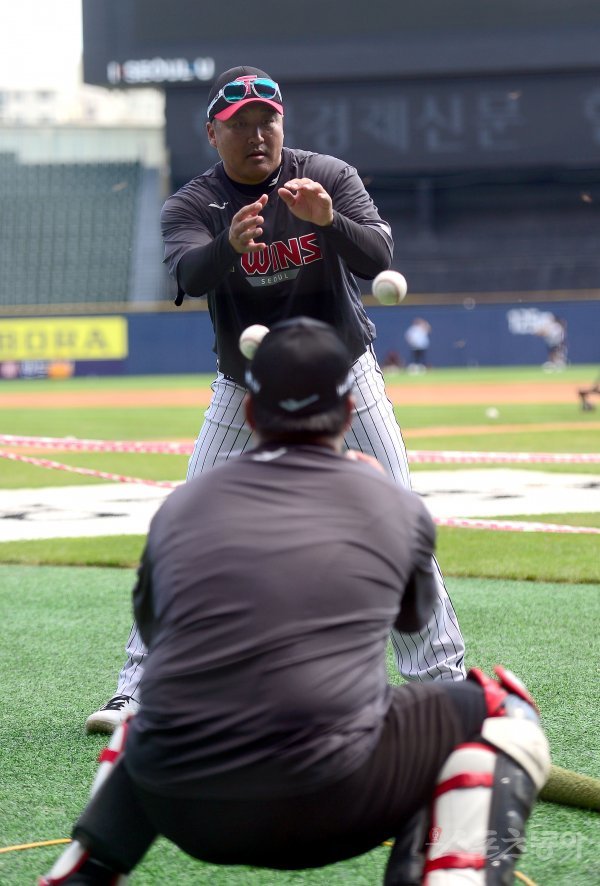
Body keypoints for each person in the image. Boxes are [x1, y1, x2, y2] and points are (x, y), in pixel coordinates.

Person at [41, 319, 550, 886]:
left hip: (178, 801)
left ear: (250, 413)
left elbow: (155, 628)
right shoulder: (390, 501)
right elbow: (412, 617)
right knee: (505, 710)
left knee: (147, 721)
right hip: (328, 800)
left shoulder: (182, 506)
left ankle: (84, 869)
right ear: (351, 412)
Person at [85, 65, 465, 735]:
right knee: (189, 525)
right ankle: (138, 692)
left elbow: (378, 256)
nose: (257, 135)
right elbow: (188, 274)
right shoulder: (194, 203)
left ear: (283, 126)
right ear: (213, 134)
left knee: (399, 515)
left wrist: (329, 220)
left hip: (343, 372)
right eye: (241, 126)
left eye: (268, 122)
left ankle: (443, 680)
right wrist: (228, 246)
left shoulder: (327, 177)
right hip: (247, 386)